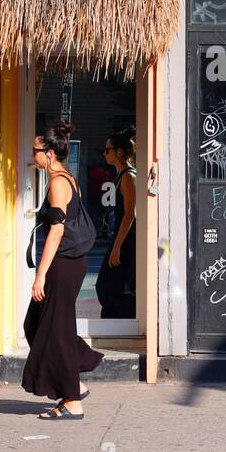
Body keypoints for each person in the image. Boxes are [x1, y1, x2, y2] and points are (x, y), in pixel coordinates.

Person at [21, 123, 103, 420]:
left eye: (35, 151)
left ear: (50, 153)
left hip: (63, 265)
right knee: (37, 325)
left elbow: (56, 231)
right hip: (68, 263)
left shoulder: (58, 183)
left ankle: (72, 401)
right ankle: (75, 379)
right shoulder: (63, 178)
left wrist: (40, 274)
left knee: (55, 328)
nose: (33, 155)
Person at [95, 128, 137, 318]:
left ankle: (119, 321)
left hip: (126, 240)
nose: (105, 153)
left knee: (108, 284)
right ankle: (114, 321)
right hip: (121, 238)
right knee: (108, 285)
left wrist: (117, 247)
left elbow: (130, 214)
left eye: (107, 150)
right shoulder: (121, 176)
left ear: (119, 152)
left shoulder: (128, 177)